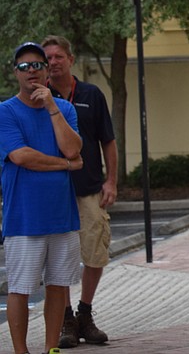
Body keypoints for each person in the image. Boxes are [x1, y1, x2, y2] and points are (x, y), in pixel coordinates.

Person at [0, 42, 84, 354]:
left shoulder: (64, 109)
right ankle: (21, 350)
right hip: (24, 219)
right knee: (21, 288)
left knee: (59, 287)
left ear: (48, 71)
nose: (31, 71)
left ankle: (52, 348)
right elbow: (21, 156)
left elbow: (74, 149)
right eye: (24, 66)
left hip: (62, 216)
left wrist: (51, 107)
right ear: (15, 72)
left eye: (38, 65)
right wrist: (65, 165)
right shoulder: (5, 111)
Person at [41, 35, 116, 348]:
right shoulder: (38, 98)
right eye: (48, 59)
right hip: (53, 190)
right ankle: (67, 319)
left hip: (88, 188)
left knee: (95, 252)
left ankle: (85, 312)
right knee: (59, 259)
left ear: (70, 59)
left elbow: (107, 141)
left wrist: (111, 180)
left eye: (58, 56)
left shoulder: (91, 94)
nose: (53, 63)